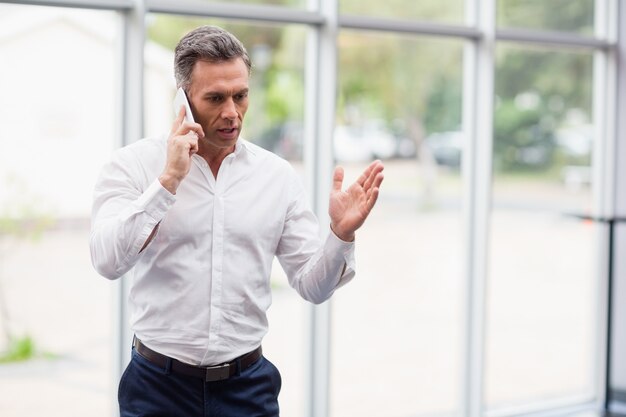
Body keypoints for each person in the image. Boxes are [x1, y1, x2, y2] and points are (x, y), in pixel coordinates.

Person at [90, 25, 384, 416]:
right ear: (183, 97)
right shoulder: (133, 166)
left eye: (240, 95)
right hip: (156, 389)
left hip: (247, 388)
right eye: (215, 98)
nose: (231, 112)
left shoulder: (276, 176)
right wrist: (168, 182)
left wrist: (340, 234)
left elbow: (313, 287)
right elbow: (108, 261)